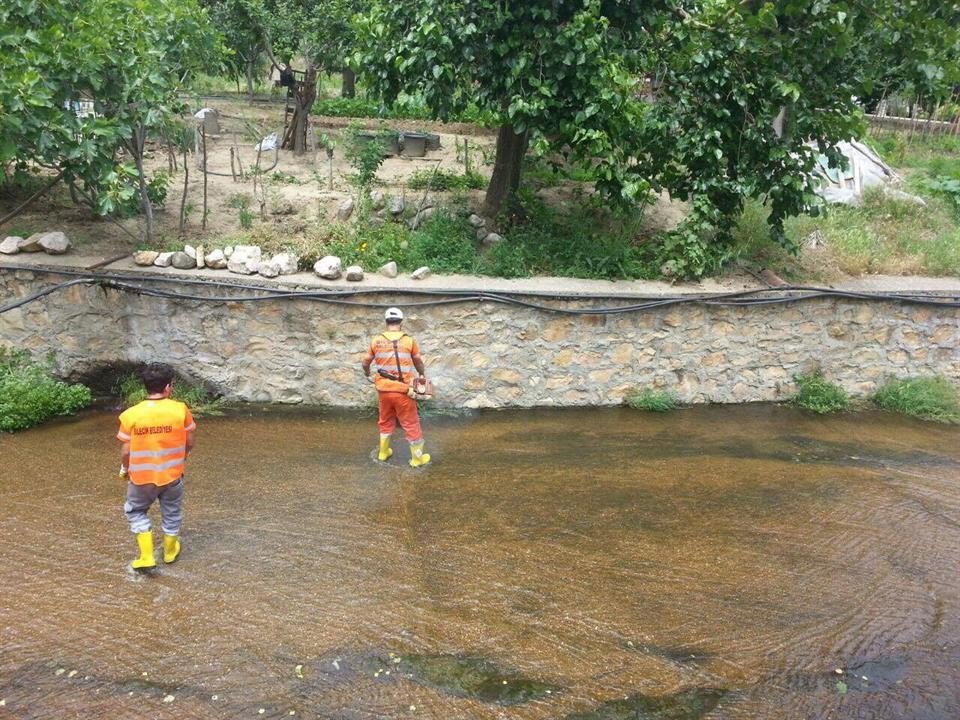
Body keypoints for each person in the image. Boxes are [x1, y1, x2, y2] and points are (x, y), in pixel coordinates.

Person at [116, 363, 196, 570]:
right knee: (171, 511)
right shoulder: (180, 410)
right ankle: (170, 551)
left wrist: (125, 469)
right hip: (173, 475)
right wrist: (183, 457)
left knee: (136, 511)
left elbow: (126, 451)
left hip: (141, 478)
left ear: (145, 387)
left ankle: (146, 556)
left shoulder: (131, 415)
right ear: (168, 387)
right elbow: (189, 440)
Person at [361, 307, 431, 467]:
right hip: (404, 391)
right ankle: (417, 459)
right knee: (411, 423)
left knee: (385, 421)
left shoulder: (376, 341)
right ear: (401, 322)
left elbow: (366, 361)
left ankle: (383, 452)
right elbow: (418, 361)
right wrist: (421, 374)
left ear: (386, 322)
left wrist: (367, 373)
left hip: (384, 391)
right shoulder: (409, 341)